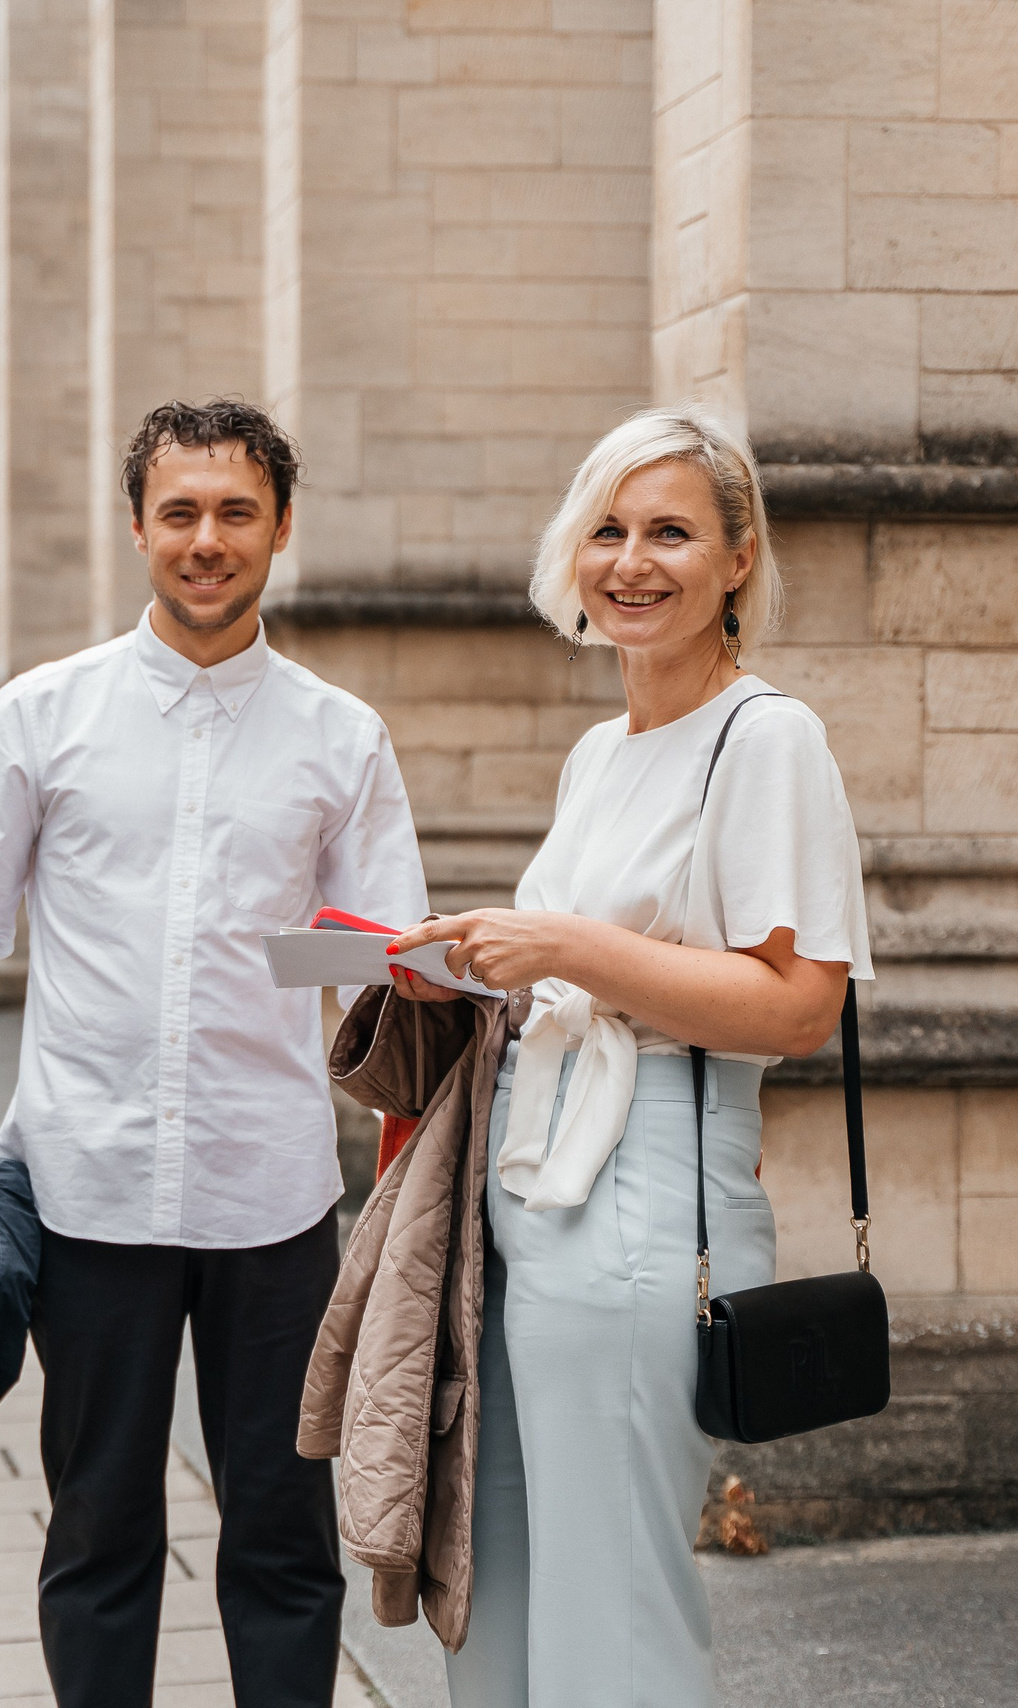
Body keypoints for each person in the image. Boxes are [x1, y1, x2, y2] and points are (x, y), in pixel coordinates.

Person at [0, 399, 427, 1707]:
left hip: (275, 1199)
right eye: (180, 511)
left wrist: (275, 952)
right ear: (137, 525)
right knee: (101, 1532)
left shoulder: (342, 738)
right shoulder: (37, 716)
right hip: (86, 1191)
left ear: (281, 527)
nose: (207, 539)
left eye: (236, 511)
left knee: (283, 1543)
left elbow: (388, 962)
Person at [384, 405, 873, 1708]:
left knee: (616, 1611)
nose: (631, 561)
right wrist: (470, 960)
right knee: (492, 1587)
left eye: (670, 531)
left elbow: (795, 1008)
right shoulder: (602, 752)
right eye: (607, 529)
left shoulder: (766, 738)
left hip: (648, 1190)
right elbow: (577, 959)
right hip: (530, 1177)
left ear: (738, 559)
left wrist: (560, 945)